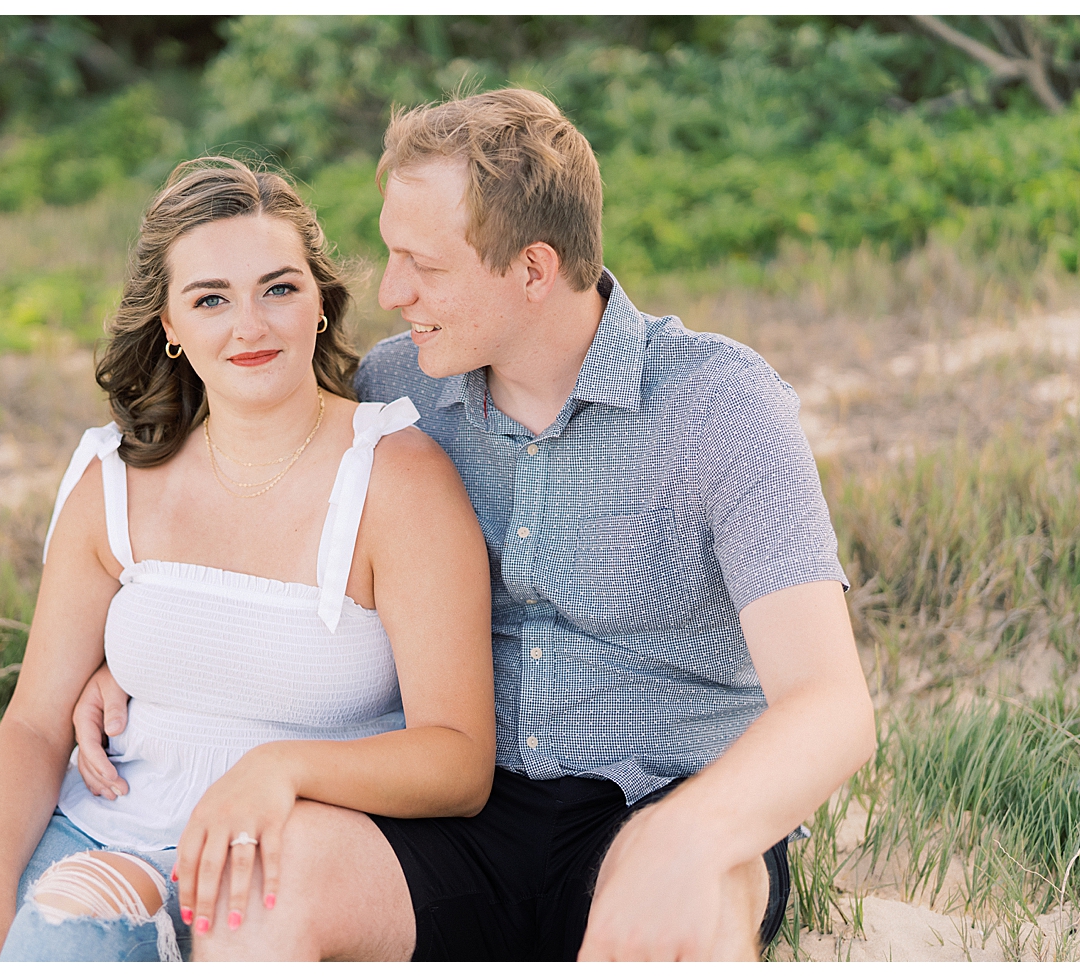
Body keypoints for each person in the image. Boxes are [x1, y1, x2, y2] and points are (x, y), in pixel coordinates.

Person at [74, 89, 877, 961]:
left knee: (687, 911)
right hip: (453, 814)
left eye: (424, 264)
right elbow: (254, 517)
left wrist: (687, 833)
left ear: (533, 269)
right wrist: (128, 662)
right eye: (390, 253)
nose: (388, 290)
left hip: (661, 800)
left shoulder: (720, 405)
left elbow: (831, 706)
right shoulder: (393, 393)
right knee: (261, 886)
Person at [0, 157, 495, 962]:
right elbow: (31, 722)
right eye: (210, 299)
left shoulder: (396, 479)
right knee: (72, 930)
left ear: (321, 303)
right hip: (100, 841)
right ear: (168, 323)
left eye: (279, 288)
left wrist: (279, 768)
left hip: (290, 866)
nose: (251, 326)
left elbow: (458, 758)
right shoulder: (114, 480)